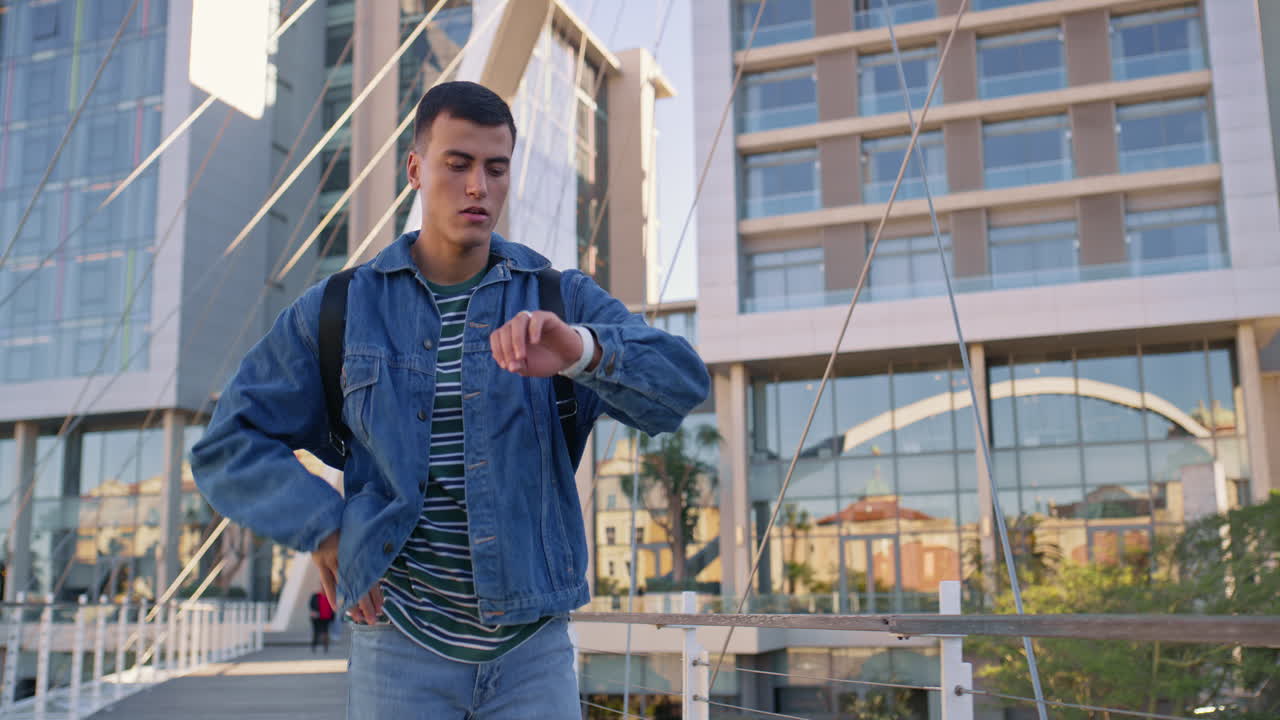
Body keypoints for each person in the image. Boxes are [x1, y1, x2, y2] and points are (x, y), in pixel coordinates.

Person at [191, 81, 709, 719]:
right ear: (415, 169)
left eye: (496, 168)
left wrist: (580, 350)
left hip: (533, 653)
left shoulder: (560, 299)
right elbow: (228, 445)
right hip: (398, 649)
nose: (478, 187)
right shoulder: (340, 310)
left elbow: (683, 384)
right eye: (457, 164)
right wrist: (325, 528)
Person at [309, 589, 334, 653]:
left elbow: (333, 607)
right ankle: (314, 647)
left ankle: (325, 647)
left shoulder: (329, 597)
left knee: (325, 632)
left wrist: (333, 616)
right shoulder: (316, 596)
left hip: (327, 618)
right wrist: (313, 612)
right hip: (317, 618)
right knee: (316, 632)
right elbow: (311, 605)